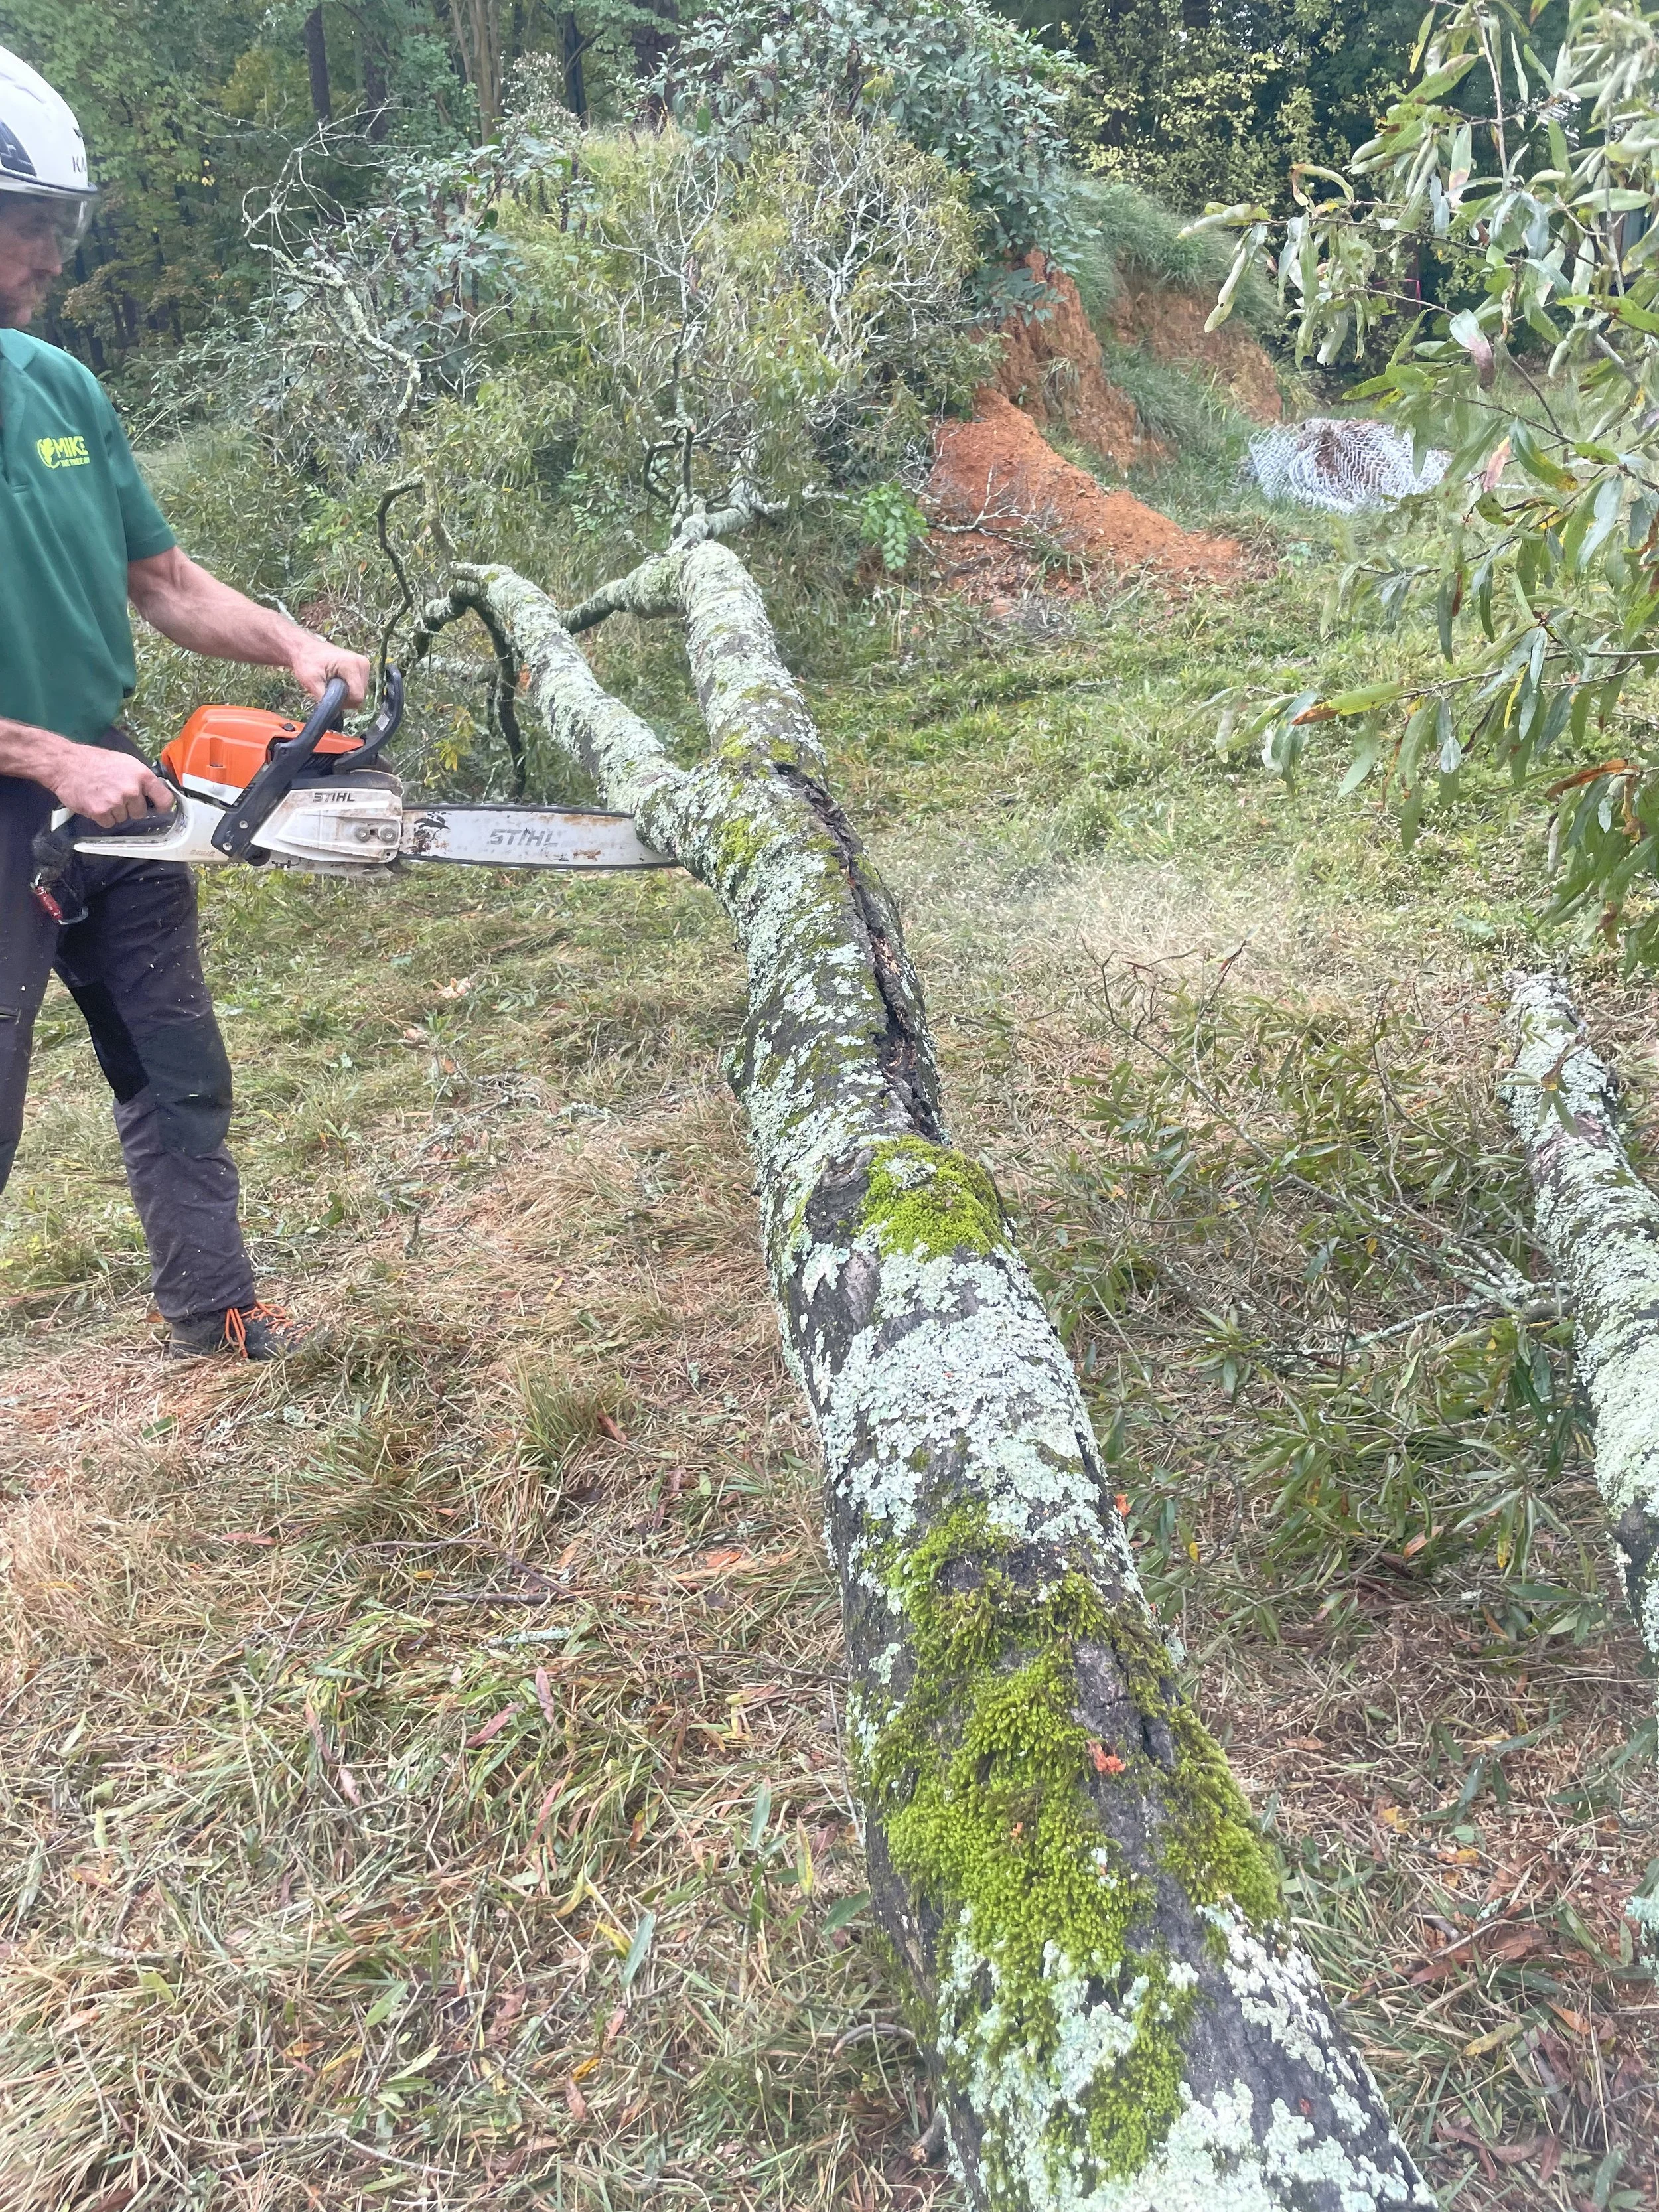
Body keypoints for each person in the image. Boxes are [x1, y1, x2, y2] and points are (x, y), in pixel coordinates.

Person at [0, 44, 371, 1359]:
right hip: (22, 788)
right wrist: (38, 755)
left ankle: (209, 1307)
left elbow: (158, 579)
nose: (53, 255)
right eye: (35, 224)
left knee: (174, 1059)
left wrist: (288, 644)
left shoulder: (58, 388)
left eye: (57, 226)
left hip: (109, 774)